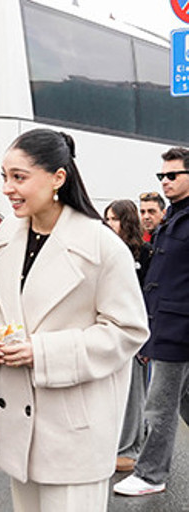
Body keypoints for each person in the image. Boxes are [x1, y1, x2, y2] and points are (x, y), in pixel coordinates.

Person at [0, 129, 149, 511]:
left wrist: (42, 352)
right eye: (4, 176)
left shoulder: (102, 245)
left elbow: (128, 331)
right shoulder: (7, 235)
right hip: (19, 420)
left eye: (19, 177)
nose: (8, 188)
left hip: (76, 426)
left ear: (58, 178)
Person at [114, 147, 189, 496]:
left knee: (159, 404)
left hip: (180, 331)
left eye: (172, 175)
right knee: (184, 402)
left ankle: (150, 475)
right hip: (164, 326)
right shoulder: (172, 218)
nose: (165, 181)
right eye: (162, 176)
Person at [103, 199, 152, 472]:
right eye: (107, 218)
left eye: (114, 219)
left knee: (134, 392)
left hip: (136, 330)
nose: (109, 224)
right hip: (109, 328)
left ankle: (129, 449)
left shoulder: (144, 253)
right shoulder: (105, 250)